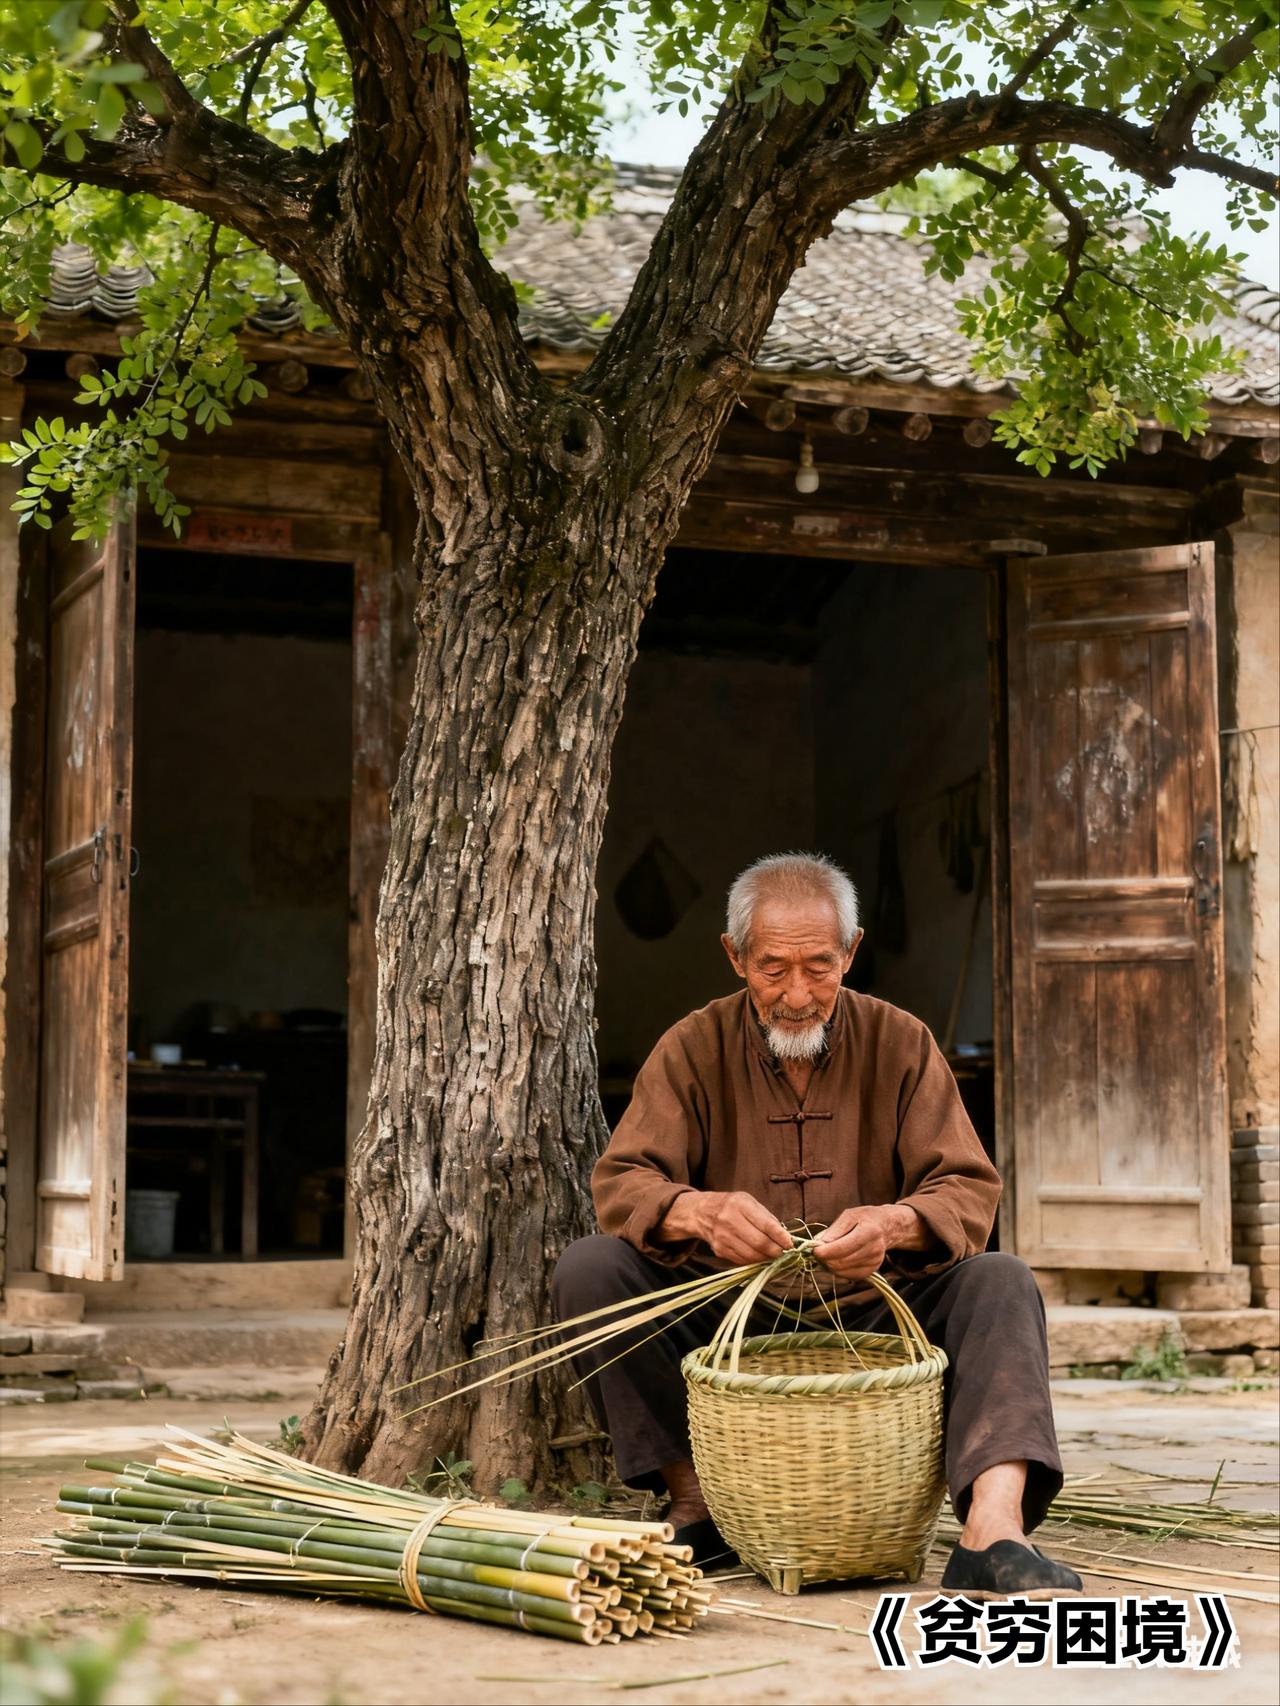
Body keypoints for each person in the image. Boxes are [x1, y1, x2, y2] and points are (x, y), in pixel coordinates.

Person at [554, 851, 1081, 1592]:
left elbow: (966, 1187)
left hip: (880, 1306)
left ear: (852, 952)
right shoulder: (692, 1047)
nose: (798, 994)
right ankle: (698, 1504)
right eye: (773, 969)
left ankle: (992, 1530)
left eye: (819, 967)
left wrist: (896, 1224)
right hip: (727, 1307)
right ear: (735, 957)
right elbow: (623, 1182)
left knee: (1001, 1282)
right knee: (590, 1270)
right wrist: (698, 1212)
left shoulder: (902, 1042)